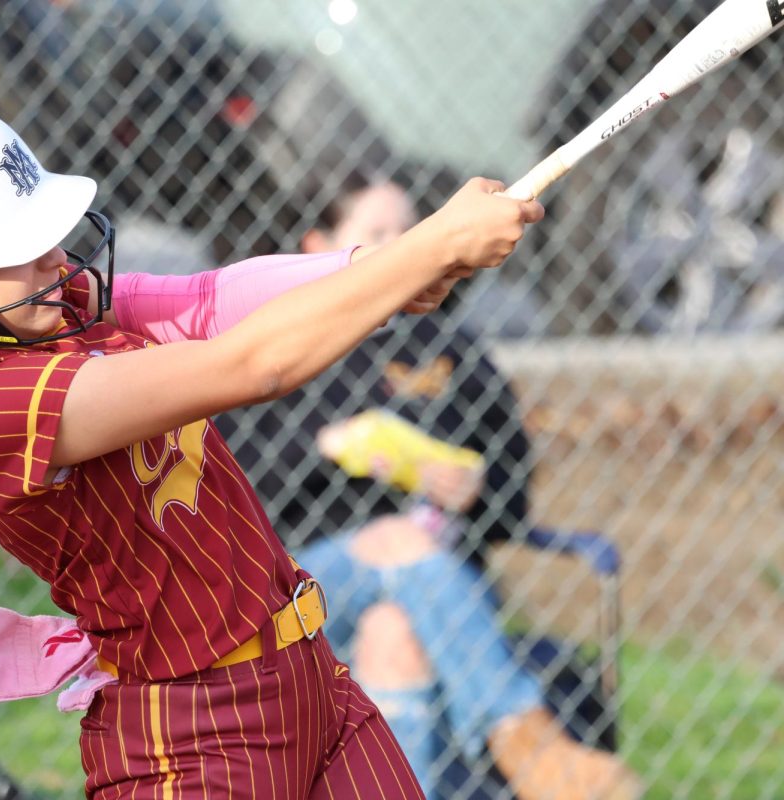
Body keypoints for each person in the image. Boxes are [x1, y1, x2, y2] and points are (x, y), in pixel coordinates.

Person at [0, 106, 543, 800]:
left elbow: (203, 300)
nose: (57, 261)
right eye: (17, 252)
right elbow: (250, 363)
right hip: (197, 740)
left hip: (312, 683)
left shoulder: (27, 306)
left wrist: (373, 274)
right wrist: (425, 245)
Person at [223, 177, 642, 800]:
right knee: (394, 536)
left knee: (395, 632)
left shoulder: (457, 354)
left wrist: (477, 490)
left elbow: (512, 498)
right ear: (320, 245)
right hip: (296, 596)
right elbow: (227, 492)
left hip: (439, 598)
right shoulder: (283, 340)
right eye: (375, 235)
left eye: (409, 233)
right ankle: (526, 741)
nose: (398, 249)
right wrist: (324, 446)